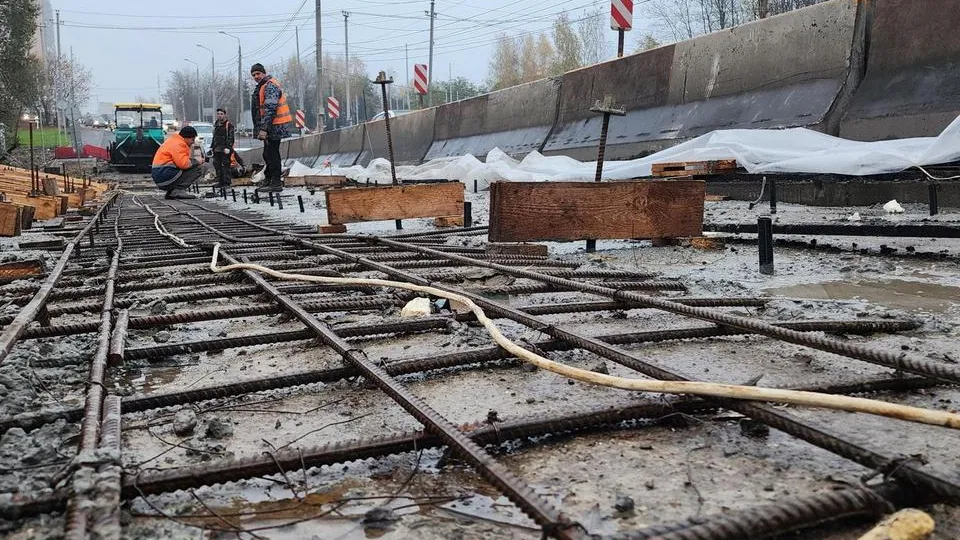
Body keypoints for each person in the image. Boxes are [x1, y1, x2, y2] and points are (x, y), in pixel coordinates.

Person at [250, 62, 291, 193]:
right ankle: (269, 179)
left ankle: (275, 182)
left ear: (264, 73)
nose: (256, 76)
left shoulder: (270, 86)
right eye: (253, 74)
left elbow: (270, 109)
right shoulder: (263, 86)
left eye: (258, 73)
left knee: (272, 154)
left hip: (274, 126)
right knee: (268, 153)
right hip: (271, 126)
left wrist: (264, 128)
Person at [151, 126, 203, 199]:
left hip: (162, 175)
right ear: (187, 137)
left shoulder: (174, 140)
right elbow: (183, 164)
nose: (193, 142)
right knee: (199, 168)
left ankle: (172, 192)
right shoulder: (179, 144)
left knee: (192, 166)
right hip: (165, 175)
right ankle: (178, 190)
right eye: (192, 139)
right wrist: (197, 161)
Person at [212, 108, 235, 187]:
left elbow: (231, 137)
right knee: (217, 165)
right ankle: (220, 181)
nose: (219, 116)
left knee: (226, 165)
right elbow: (214, 137)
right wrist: (212, 147)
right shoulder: (216, 124)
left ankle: (226, 182)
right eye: (218, 114)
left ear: (225, 115)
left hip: (225, 149)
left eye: (221, 114)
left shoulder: (229, 125)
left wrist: (228, 147)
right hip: (216, 148)